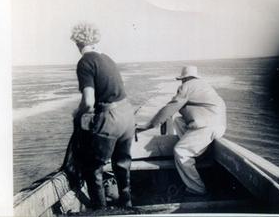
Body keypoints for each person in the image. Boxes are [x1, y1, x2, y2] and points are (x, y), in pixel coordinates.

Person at [69, 23, 135, 209]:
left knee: (92, 166)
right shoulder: (107, 58)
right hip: (127, 116)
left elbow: (89, 102)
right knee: (122, 163)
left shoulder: (85, 62)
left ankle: (100, 210)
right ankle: (127, 203)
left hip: (111, 118)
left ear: (77, 43)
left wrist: (79, 113)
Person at [137, 66, 226, 196]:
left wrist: (149, 125)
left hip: (207, 128)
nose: (181, 82)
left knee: (180, 151)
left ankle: (197, 189)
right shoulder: (203, 85)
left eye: (182, 79)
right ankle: (196, 153)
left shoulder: (187, 86)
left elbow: (169, 108)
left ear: (184, 78)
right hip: (219, 126)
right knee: (178, 121)